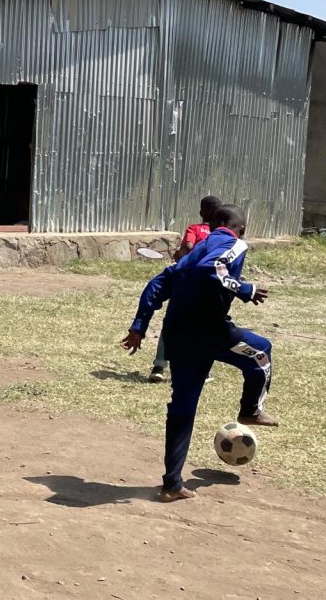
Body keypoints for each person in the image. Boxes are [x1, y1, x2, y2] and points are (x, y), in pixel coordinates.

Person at [120, 204, 278, 502]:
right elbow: (212, 269)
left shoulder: (195, 251)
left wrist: (139, 326)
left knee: (182, 408)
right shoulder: (236, 244)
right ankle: (250, 410)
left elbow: (157, 283)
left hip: (178, 336)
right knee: (261, 353)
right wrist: (245, 289)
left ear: (212, 224)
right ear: (242, 229)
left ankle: (171, 485)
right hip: (211, 332)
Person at [148, 195, 222, 384]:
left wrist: (178, 254)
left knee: (171, 323)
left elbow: (188, 246)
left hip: (186, 282)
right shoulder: (220, 235)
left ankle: (159, 366)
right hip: (209, 285)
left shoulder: (194, 229)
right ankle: (202, 371)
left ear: (201, 212)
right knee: (205, 327)